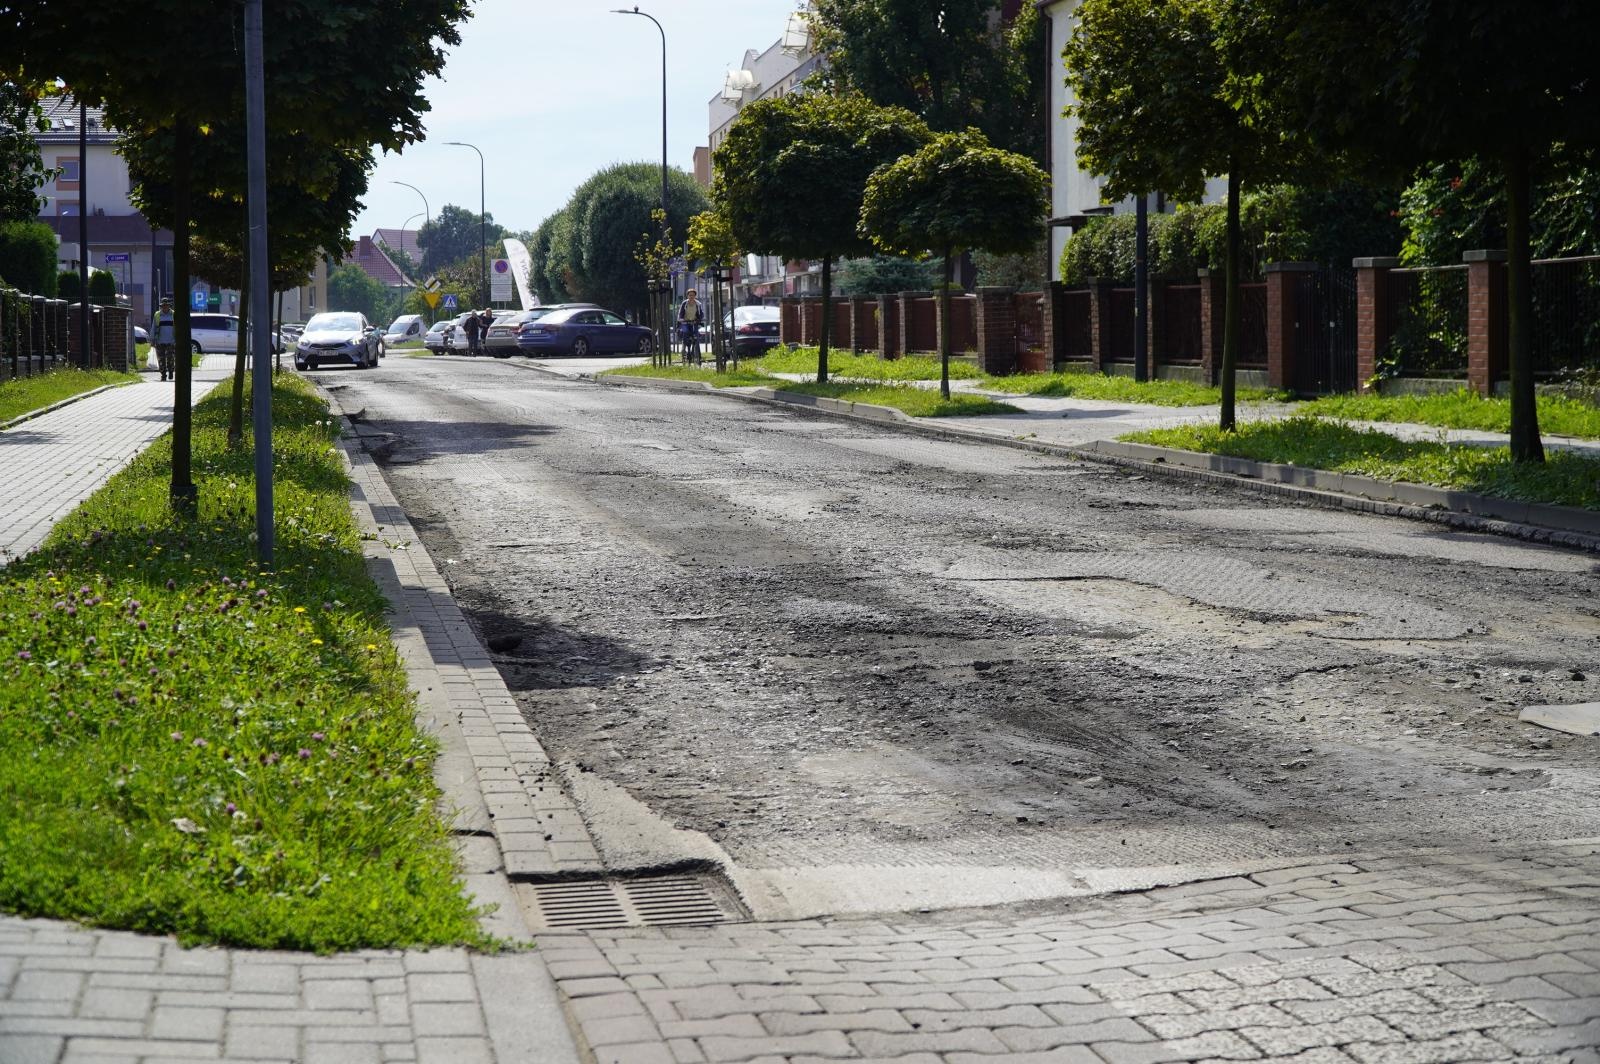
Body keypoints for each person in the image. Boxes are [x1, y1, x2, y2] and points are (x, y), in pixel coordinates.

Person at [677, 289, 704, 365]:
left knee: (696, 337)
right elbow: (680, 313)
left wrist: (699, 319)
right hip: (685, 322)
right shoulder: (684, 303)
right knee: (685, 332)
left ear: (695, 296)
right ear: (687, 296)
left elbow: (701, 314)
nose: (691, 296)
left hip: (694, 322)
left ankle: (698, 356)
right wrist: (681, 320)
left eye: (693, 295)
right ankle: (684, 350)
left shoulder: (698, 304)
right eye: (690, 295)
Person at [152, 297, 175, 382]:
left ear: (169, 306)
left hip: (171, 341)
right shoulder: (157, 315)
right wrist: (152, 340)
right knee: (161, 359)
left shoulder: (173, 314)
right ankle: (163, 375)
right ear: (161, 306)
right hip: (159, 341)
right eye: (163, 305)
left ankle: (171, 371)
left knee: (170, 358)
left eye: (166, 305)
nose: (165, 307)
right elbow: (153, 327)